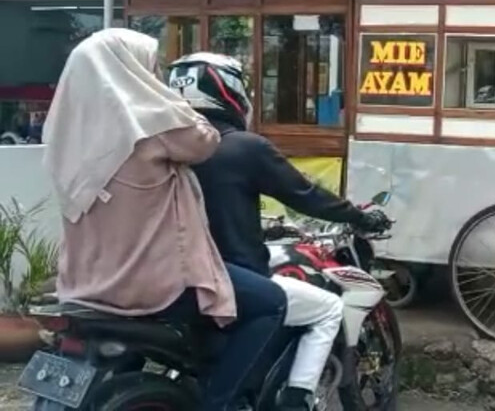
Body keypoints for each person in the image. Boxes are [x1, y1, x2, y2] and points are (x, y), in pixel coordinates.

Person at [42, 29, 288, 411]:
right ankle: (218, 403)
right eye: (150, 67)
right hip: (147, 281)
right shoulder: (150, 127)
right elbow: (205, 140)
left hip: (85, 283)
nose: (154, 76)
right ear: (128, 70)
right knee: (269, 301)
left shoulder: (64, 135)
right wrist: (169, 97)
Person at [166, 52, 388, 411]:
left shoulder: (165, 148)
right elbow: (306, 195)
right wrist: (360, 218)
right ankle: (296, 400)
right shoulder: (243, 147)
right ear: (230, 91)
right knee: (328, 308)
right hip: (227, 277)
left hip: (167, 277)